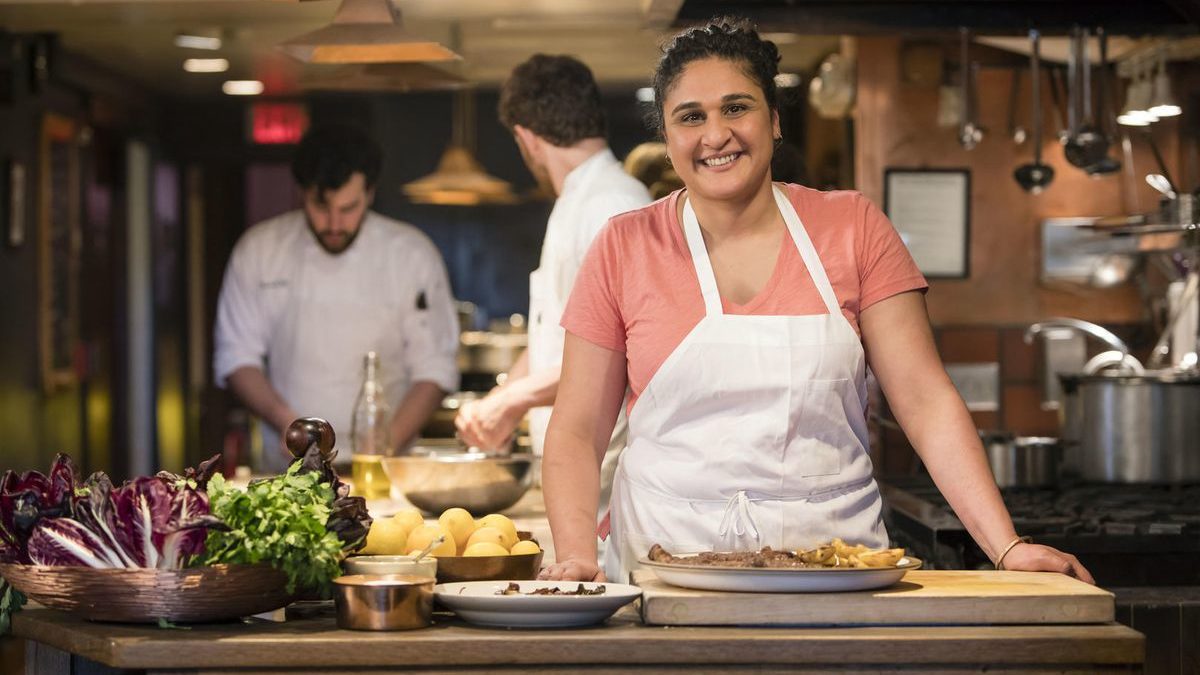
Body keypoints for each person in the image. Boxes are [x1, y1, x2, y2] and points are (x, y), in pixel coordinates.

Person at [538, 17, 1094, 585]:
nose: (715, 135)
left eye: (737, 108)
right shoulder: (625, 246)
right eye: (691, 117)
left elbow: (925, 401)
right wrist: (578, 557)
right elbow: (579, 429)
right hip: (662, 573)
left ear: (774, 120)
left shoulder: (852, 227)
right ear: (668, 135)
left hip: (835, 573)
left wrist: (1006, 546)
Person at [455, 55, 651, 522]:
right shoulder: (576, 202)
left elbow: (619, 353)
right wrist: (498, 399)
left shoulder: (613, 205)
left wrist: (512, 400)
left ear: (526, 138)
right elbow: (555, 338)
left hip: (608, 485)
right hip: (576, 475)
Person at [214, 124, 459, 473]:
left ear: (370, 193)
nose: (334, 223)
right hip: (288, 466)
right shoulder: (259, 250)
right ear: (301, 192)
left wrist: (382, 449)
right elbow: (236, 357)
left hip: (388, 468)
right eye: (320, 206)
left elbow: (434, 367)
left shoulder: (411, 254)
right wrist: (291, 428)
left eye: (349, 208)